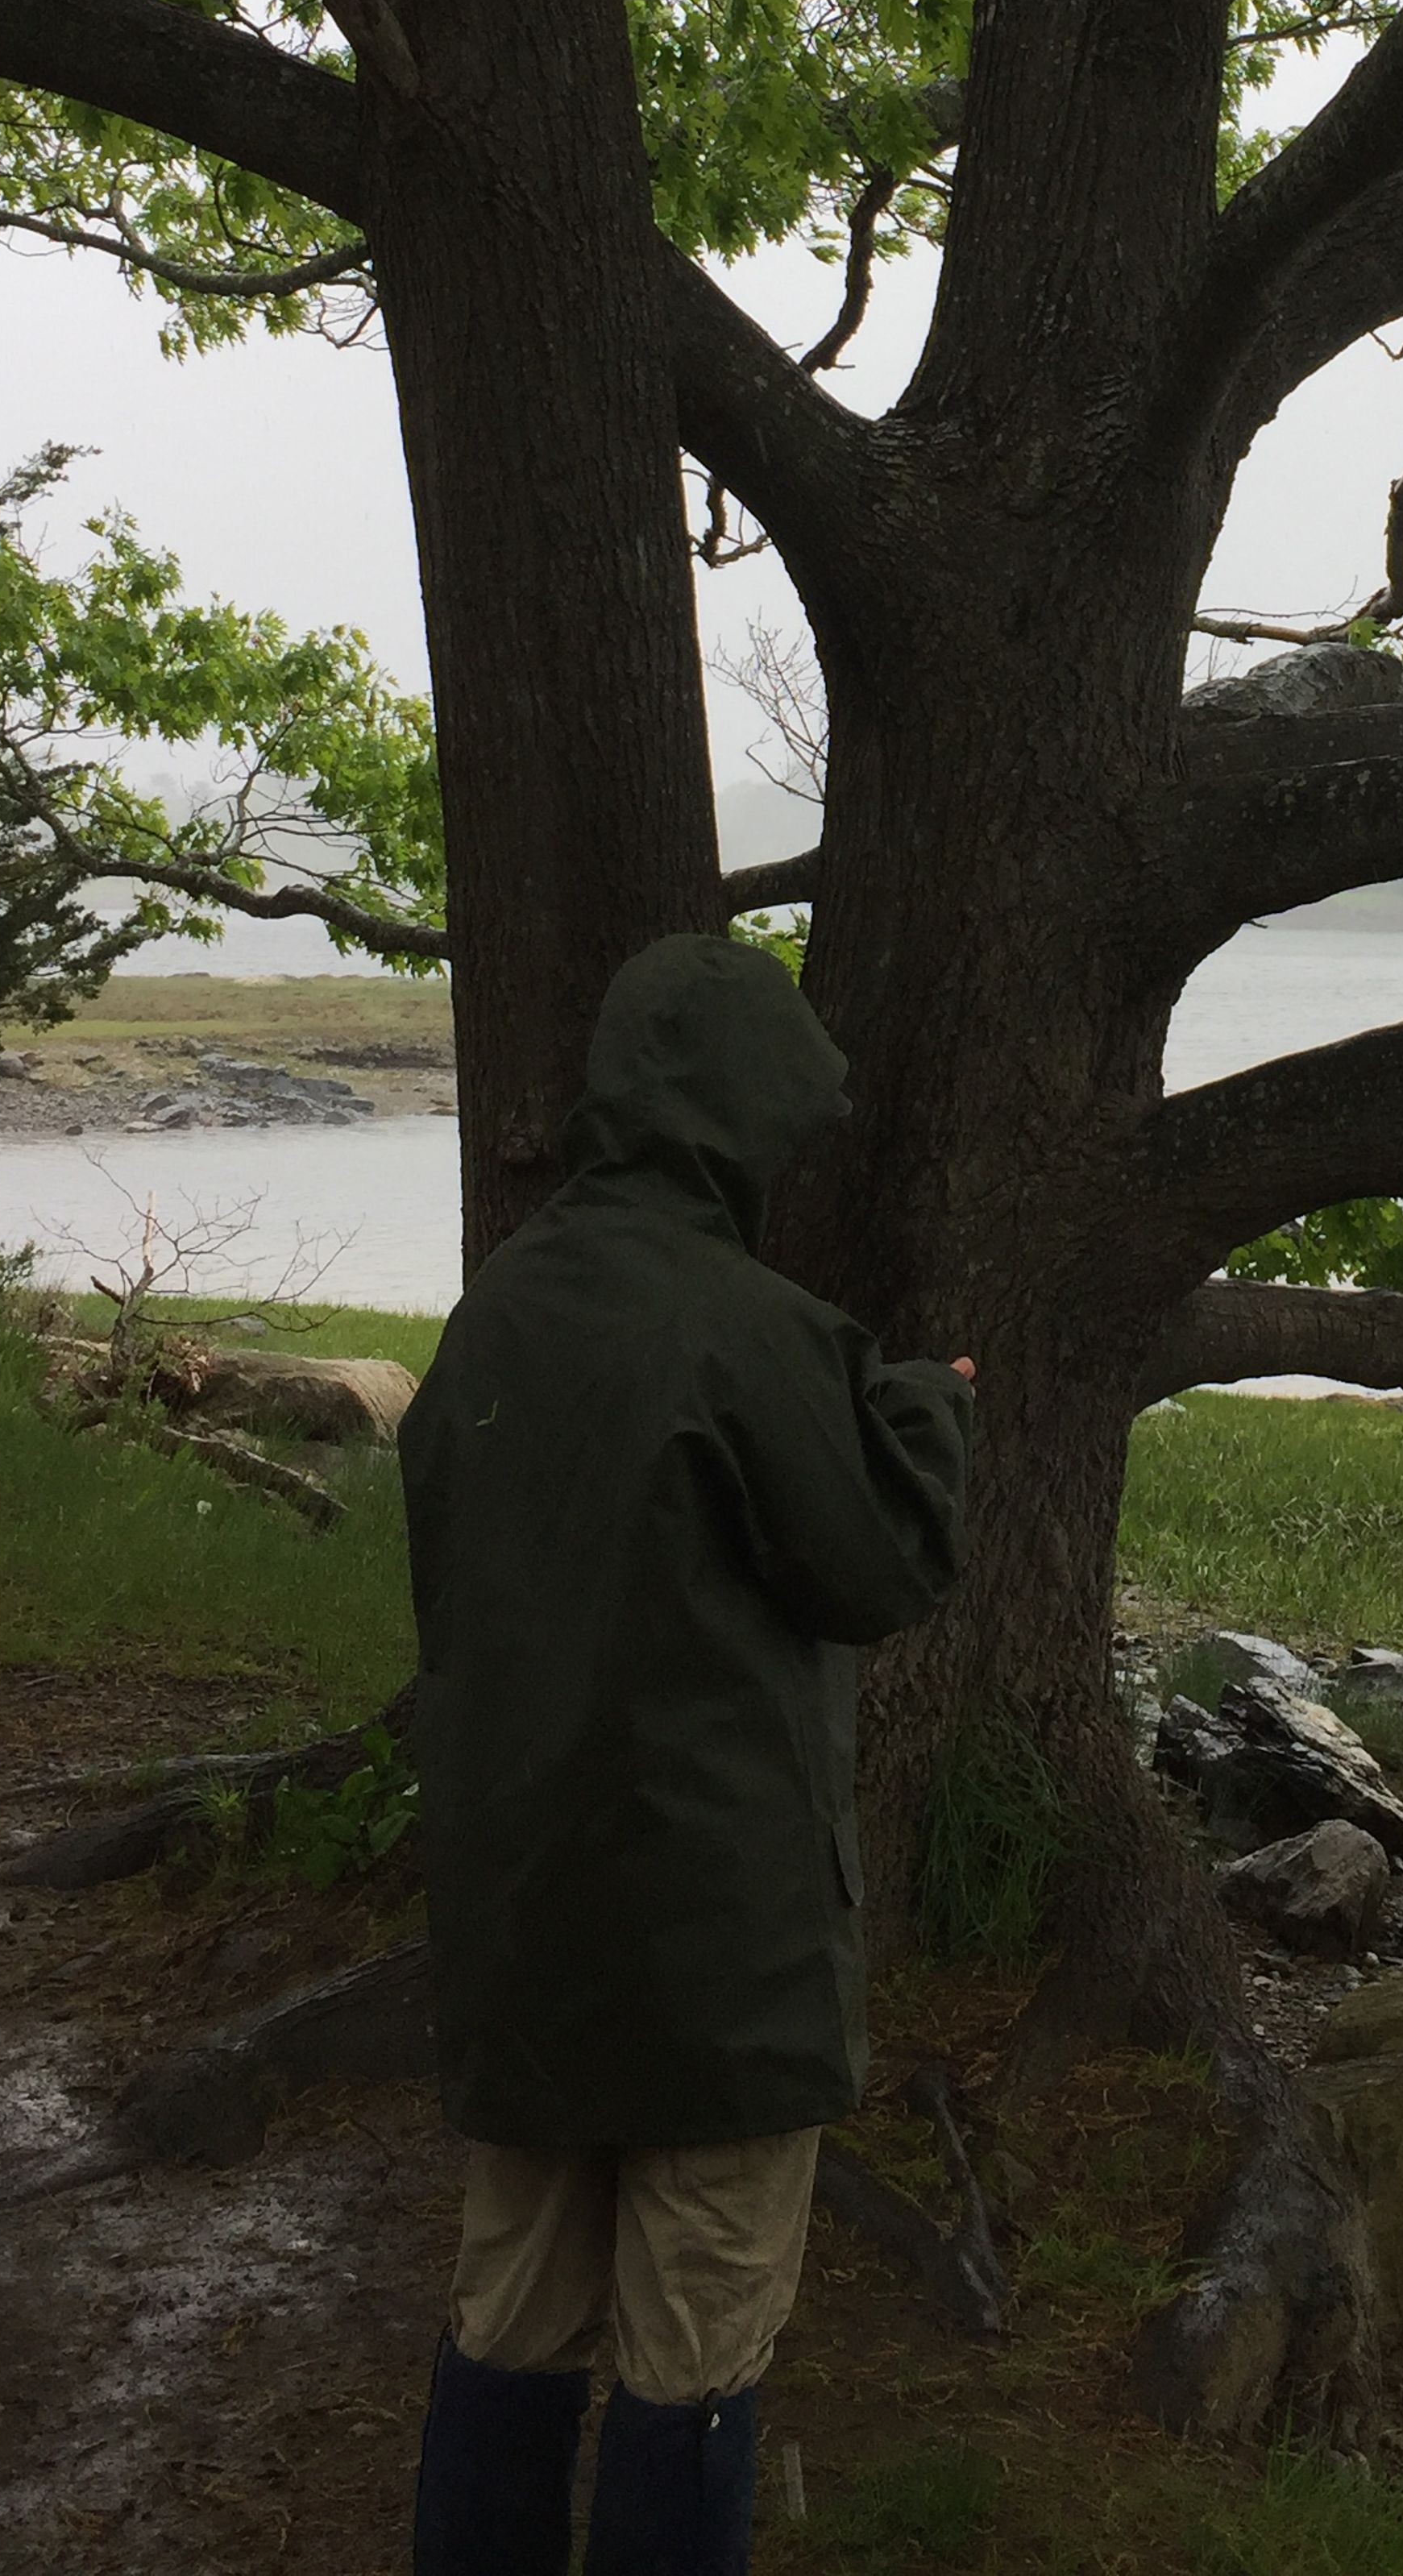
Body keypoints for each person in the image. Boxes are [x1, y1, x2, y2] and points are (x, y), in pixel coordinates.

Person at [397, 935, 973, 2574]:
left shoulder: (493, 1315)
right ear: (736, 1117)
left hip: (521, 1928)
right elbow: (881, 1564)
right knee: (694, 2353)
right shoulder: (753, 1329)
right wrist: (931, 1407)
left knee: (510, 2313)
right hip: (720, 1953)